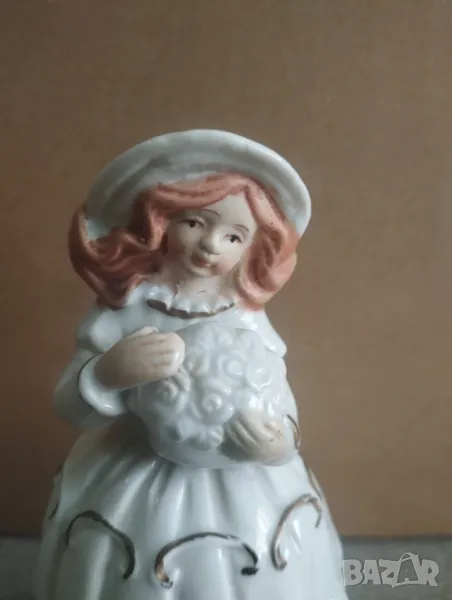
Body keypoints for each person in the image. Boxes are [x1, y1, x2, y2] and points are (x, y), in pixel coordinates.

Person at [35, 130, 348, 600]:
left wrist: (278, 441)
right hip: (136, 469)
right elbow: (69, 405)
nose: (211, 245)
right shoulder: (125, 312)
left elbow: (275, 393)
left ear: (253, 248)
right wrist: (108, 374)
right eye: (196, 223)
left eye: (234, 235)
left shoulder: (245, 318)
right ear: (159, 224)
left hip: (242, 472)